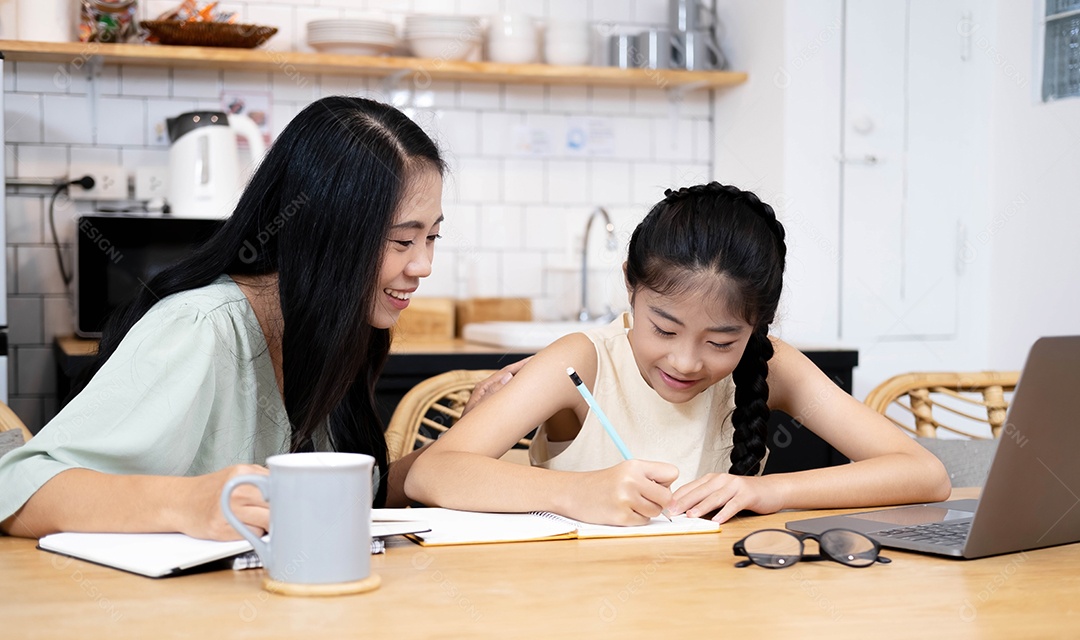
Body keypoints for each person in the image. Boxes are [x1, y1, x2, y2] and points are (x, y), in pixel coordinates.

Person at [0, 96, 520, 540]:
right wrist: (185, 503)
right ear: (323, 232)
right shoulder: (200, 328)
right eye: (402, 241)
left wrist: (467, 438)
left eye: (431, 238)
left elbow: (361, 497)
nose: (423, 265)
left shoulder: (332, 329)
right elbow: (19, 486)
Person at [406, 182, 951, 526]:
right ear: (630, 289)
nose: (687, 362)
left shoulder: (771, 365)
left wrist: (767, 490)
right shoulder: (584, 361)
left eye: (721, 342)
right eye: (663, 329)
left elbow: (924, 475)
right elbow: (434, 474)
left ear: (759, 324)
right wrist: (578, 492)